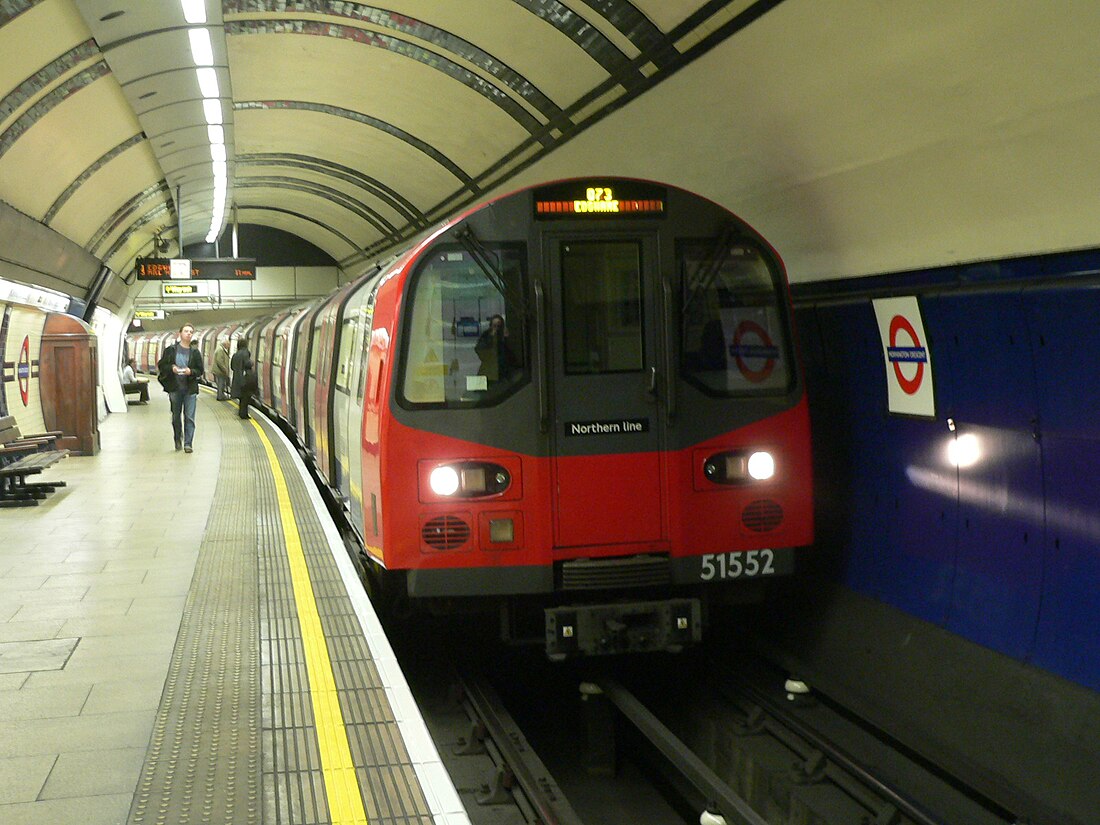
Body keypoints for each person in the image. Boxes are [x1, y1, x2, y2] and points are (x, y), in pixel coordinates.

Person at [157, 322, 204, 452]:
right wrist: (172, 368)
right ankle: (178, 438)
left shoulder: (195, 353)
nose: (189, 333)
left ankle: (188, 443)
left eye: (191, 332)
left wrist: (191, 372)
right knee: (176, 416)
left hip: (190, 389)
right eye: (186, 331)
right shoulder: (171, 350)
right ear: (180, 334)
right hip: (175, 388)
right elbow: (162, 366)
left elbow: (200, 370)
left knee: (189, 417)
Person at [475, 314, 516, 385]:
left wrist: (506, 339)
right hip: (489, 371)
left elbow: (511, 355)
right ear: (491, 326)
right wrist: (491, 337)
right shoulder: (486, 336)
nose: (497, 329)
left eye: (499, 326)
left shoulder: (504, 337)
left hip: (503, 372)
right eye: (494, 326)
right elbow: (480, 350)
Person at [230, 338, 254, 420]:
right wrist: (251, 363)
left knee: (241, 398)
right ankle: (244, 414)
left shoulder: (235, 354)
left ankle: (241, 412)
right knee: (245, 398)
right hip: (245, 379)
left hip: (237, 378)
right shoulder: (245, 353)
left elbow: (232, 367)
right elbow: (247, 364)